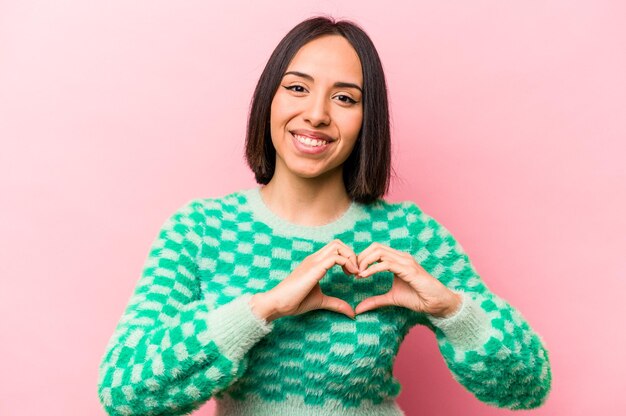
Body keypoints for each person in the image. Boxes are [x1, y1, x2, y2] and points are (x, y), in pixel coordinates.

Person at [97, 16, 552, 416]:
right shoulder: (202, 230)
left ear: (367, 119)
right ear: (268, 100)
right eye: (297, 88)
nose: (315, 114)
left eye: (345, 98)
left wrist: (453, 310)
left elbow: (528, 386)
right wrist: (263, 308)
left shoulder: (410, 235)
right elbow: (124, 393)